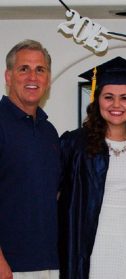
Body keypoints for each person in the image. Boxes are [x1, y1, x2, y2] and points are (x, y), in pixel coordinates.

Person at [58, 56, 126, 279]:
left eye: (124, 98)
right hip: (93, 249)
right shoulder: (75, 144)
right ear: (98, 100)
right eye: (108, 97)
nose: (116, 105)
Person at [0, 40, 60, 279]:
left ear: (48, 79)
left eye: (40, 70)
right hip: (10, 266)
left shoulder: (49, 132)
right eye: (24, 68)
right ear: (8, 75)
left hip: (49, 261)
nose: (32, 77)